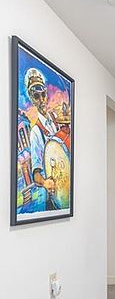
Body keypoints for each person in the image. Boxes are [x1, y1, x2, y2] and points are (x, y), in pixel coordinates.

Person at [26, 68, 59, 211]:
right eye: (36, 96)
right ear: (32, 99)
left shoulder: (56, 119)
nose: (42, 100)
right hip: (53, 196)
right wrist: (45, 183)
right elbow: (36, 174)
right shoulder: (35, 132)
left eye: (43, 94)